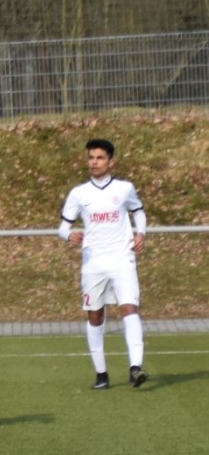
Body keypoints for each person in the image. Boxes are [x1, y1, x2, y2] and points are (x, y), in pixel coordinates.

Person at [58, 139, 148, 389]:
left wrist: (140, 234)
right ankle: (101, 375)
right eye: (91, 158)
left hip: (122, 259)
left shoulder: (125, 188)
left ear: (111, 162)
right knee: (95, 315)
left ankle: (135, 368)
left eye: (99, 158)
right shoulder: (79, 193)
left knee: (129, 308)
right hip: (93, 263)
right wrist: (69, 235)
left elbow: (139, 211)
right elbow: (63, 227)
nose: (94, 162)